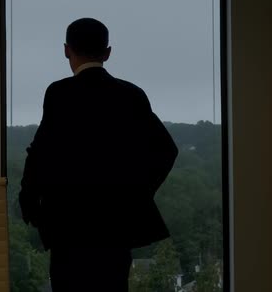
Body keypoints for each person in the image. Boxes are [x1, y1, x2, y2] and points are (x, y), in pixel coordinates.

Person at [19, 18, 179, 291]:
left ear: (66, 50)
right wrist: (137, 193)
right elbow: (166, 150)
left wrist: (30, 201)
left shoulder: (59, 93)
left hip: (68, 224)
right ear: (107, 52)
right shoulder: (131, 95)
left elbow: (41, 154)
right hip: (116, 225)